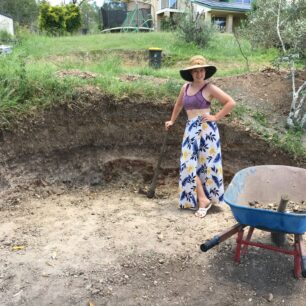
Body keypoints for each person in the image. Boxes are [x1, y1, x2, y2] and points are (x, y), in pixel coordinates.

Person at [165, 55, 235, 218]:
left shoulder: (209, 88)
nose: (199, 74)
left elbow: (230, 102)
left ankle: (204, 199)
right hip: (190, 128)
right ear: (191, 73)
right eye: (195, 71)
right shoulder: (185, 87)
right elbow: (179, 104)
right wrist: (172, 120)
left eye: (201, 70)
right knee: (187, 164)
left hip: (206, 130)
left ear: (205, 72)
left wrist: (216, 117)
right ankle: (202, 198)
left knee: (206, 165)